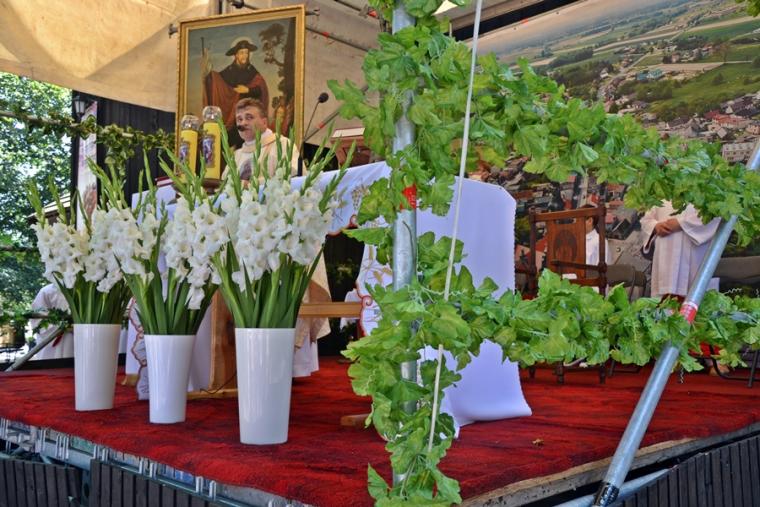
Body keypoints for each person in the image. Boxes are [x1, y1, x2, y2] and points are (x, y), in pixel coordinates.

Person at [640, 201, 719, 300]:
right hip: (665, 259)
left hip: (694, 256)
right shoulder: (660, 195)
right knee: (664, 303)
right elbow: (646, 220)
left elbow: (714, 217)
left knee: (695, 298)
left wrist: (681, 224)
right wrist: (656, 226)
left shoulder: (706, 194)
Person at [202, 38, 269, 147]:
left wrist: (248, 90)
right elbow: (218, 82)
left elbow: (261, 88)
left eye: (246, 53)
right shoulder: (229, 70)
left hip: (247, 119)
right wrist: (209, 75)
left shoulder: (252, 71)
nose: (244, 56)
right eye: (242, 53)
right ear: (236, 55)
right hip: (231, 118)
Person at [231, 98, 298, 181]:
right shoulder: (236, 156)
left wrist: (251, 184)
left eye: (249, 118)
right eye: (239, 119)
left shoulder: (282, 144)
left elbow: (294, 179)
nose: (243, 123)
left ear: (264, 122)